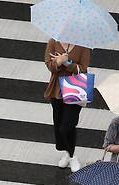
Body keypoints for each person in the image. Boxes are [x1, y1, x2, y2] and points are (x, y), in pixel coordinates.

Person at [44, 38, 91, 173]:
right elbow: (49, 65)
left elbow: (83, 68)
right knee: (59, 125)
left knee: (67, 126)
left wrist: (67, 62)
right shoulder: (53, 42)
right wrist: (57, 62)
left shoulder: (83, 45)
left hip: (75, 88)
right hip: (57, 89)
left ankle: (72, 156)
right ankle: (67, 152)